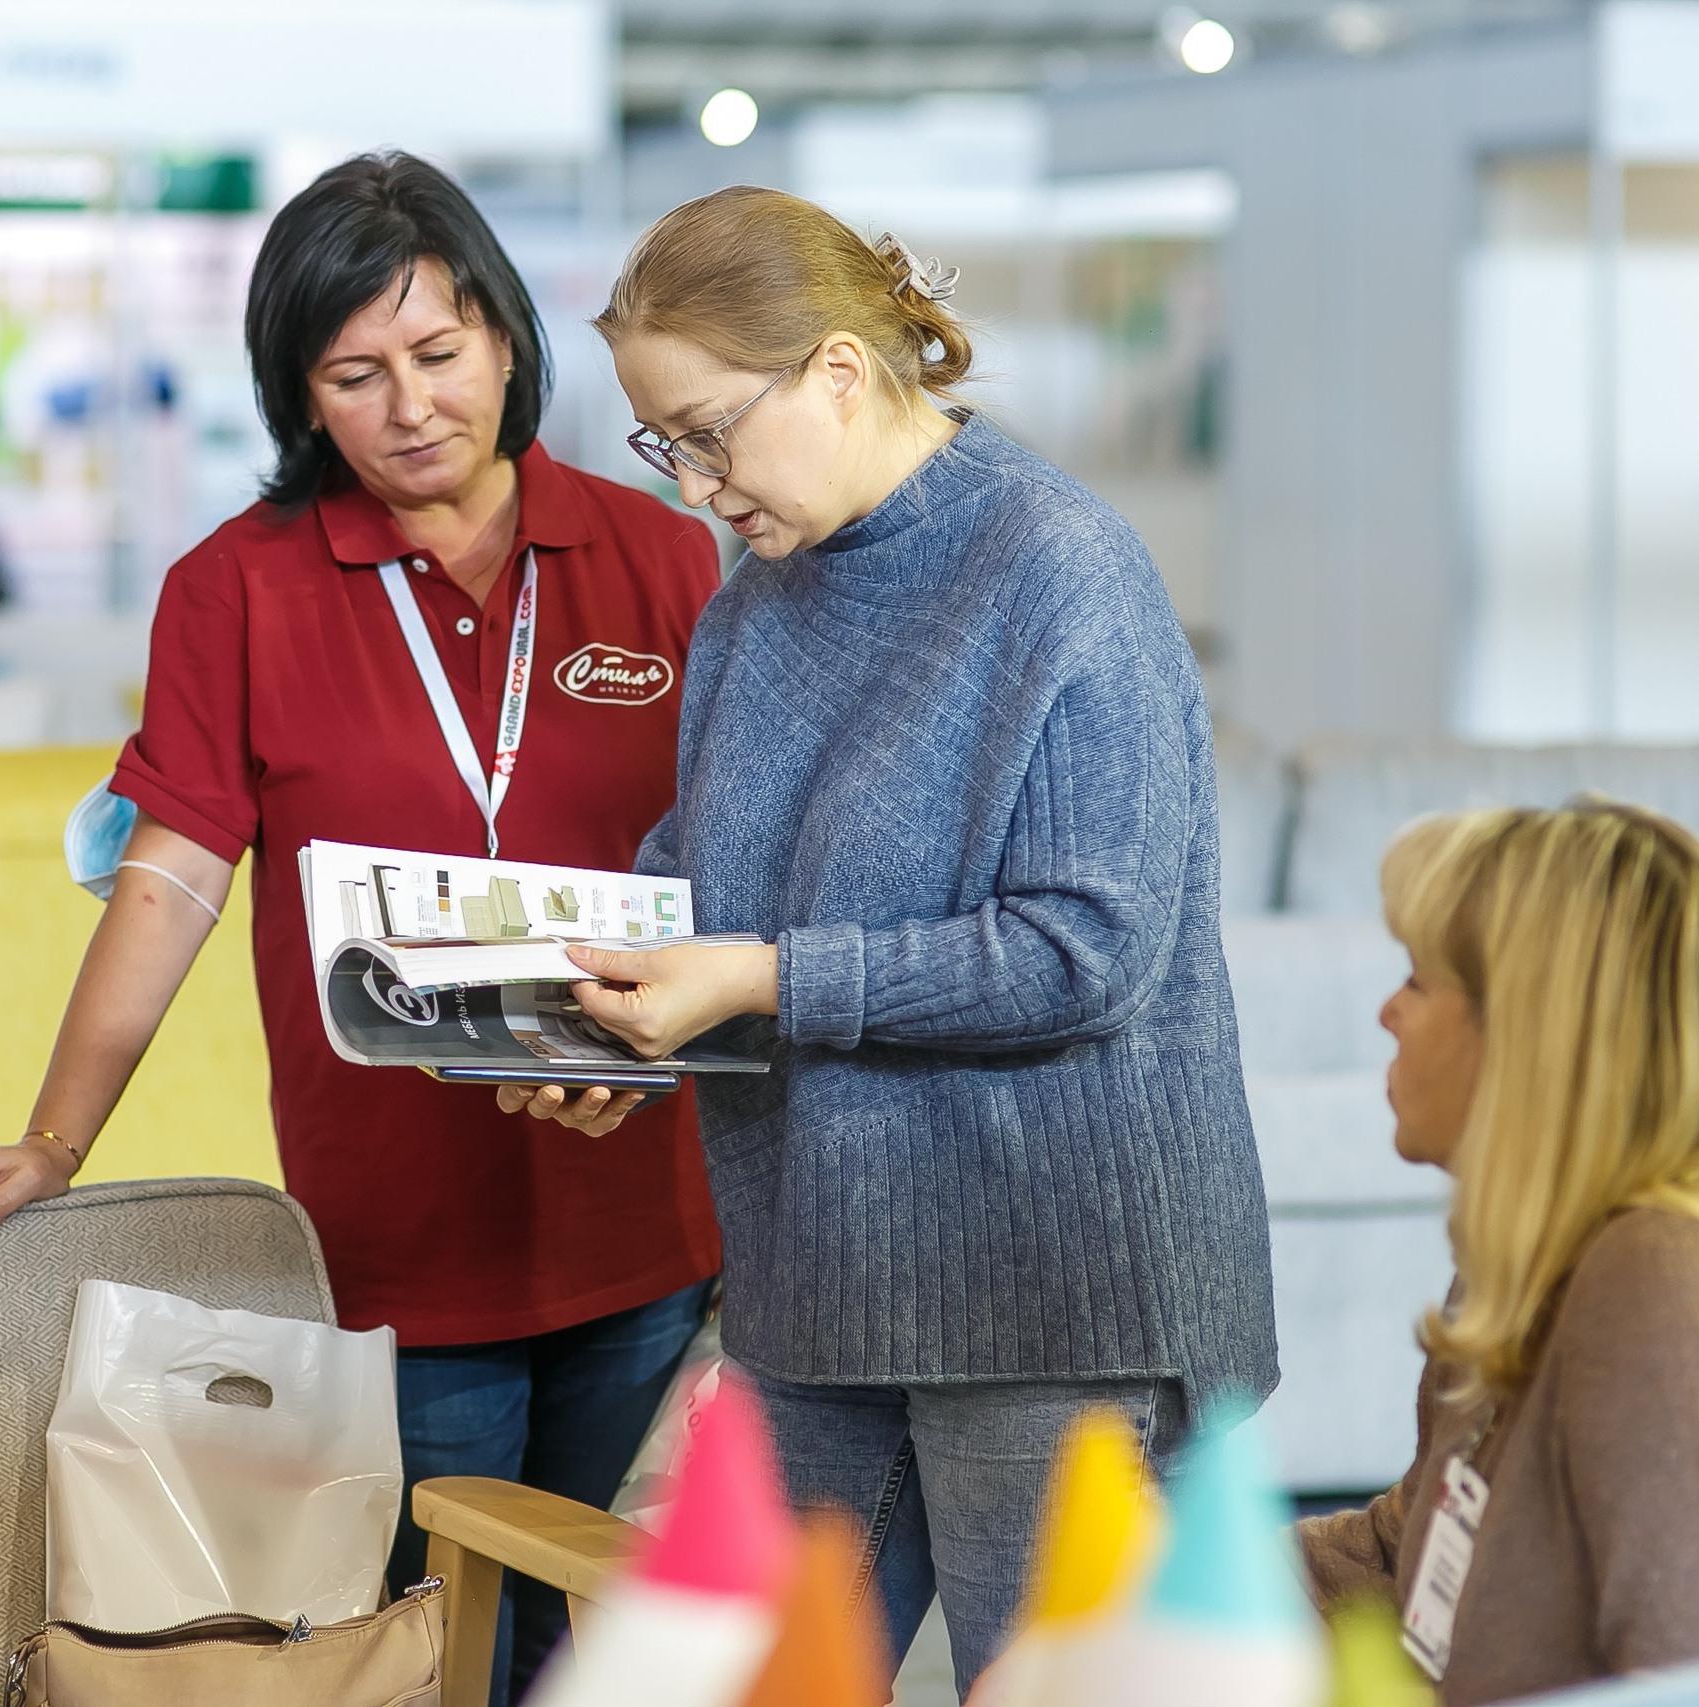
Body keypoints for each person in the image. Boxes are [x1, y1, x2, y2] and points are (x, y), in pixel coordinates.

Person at [0, 154, 723, 1704]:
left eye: (440, 356)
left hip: (648, 1212)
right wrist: (54, 1137)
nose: (411, 406)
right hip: (399, 1240)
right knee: (442, 1654)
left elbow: (740, 856)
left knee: (643, 1657)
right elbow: (172, 877)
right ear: (301, 395)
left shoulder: (660, 554)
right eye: (354, 374)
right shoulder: (235, 590)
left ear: (508, 342)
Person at [508, 187, 1278, 1690]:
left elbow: (1084, 949)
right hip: (818, 1280)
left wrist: (762, 979)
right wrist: (606, 1022)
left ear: (842, 372)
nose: (694, 486)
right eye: (665, 444)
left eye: (711, 431)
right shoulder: (755, 607)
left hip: (1048, 1289)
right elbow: (709, 881)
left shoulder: (1062, 569)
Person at [1297, 801, 1699, 1703]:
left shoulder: (1678, 1290)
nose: (1387, 1013)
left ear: (1524, 1029)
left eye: (1418, 981)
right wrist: (1153, 1585)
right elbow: (1414, 1558)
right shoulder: (1541, 1255)